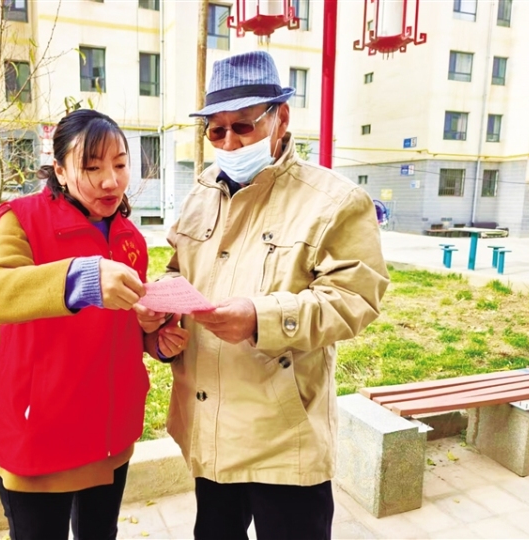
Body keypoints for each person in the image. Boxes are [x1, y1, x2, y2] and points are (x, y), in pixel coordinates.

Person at [136, 51, 390, 540]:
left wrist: (261, 318)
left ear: (281, 118)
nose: (229, 143)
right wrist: (162, 322)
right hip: (209, 424)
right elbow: (179, 272)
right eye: (216, 131)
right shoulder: (201, 194)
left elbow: (354, 299)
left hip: (283, 436)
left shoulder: (334, 201)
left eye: (243, 126)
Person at [0, 109, 188, 540]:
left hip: (110, 433)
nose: (110, 181)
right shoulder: (22, 219)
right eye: (91, 168)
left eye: (120, 165)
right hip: (43, 434)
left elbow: (123, 326)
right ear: (60, 171)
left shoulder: (129, 237)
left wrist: (154, 336)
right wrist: (79, 279)